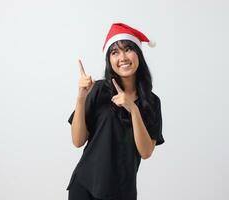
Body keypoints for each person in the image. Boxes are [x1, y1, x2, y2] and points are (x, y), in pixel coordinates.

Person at [66, 23, 165, 200]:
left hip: (121, 191)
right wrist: (81, 98)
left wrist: (133, 109)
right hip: (85, 186)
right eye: (115, 52)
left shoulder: (152, 102)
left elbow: (146, 152)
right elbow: (77, 141)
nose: (123, 57)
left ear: (138, 55)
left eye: (128, 49)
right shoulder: (98, 90)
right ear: (109, 60)